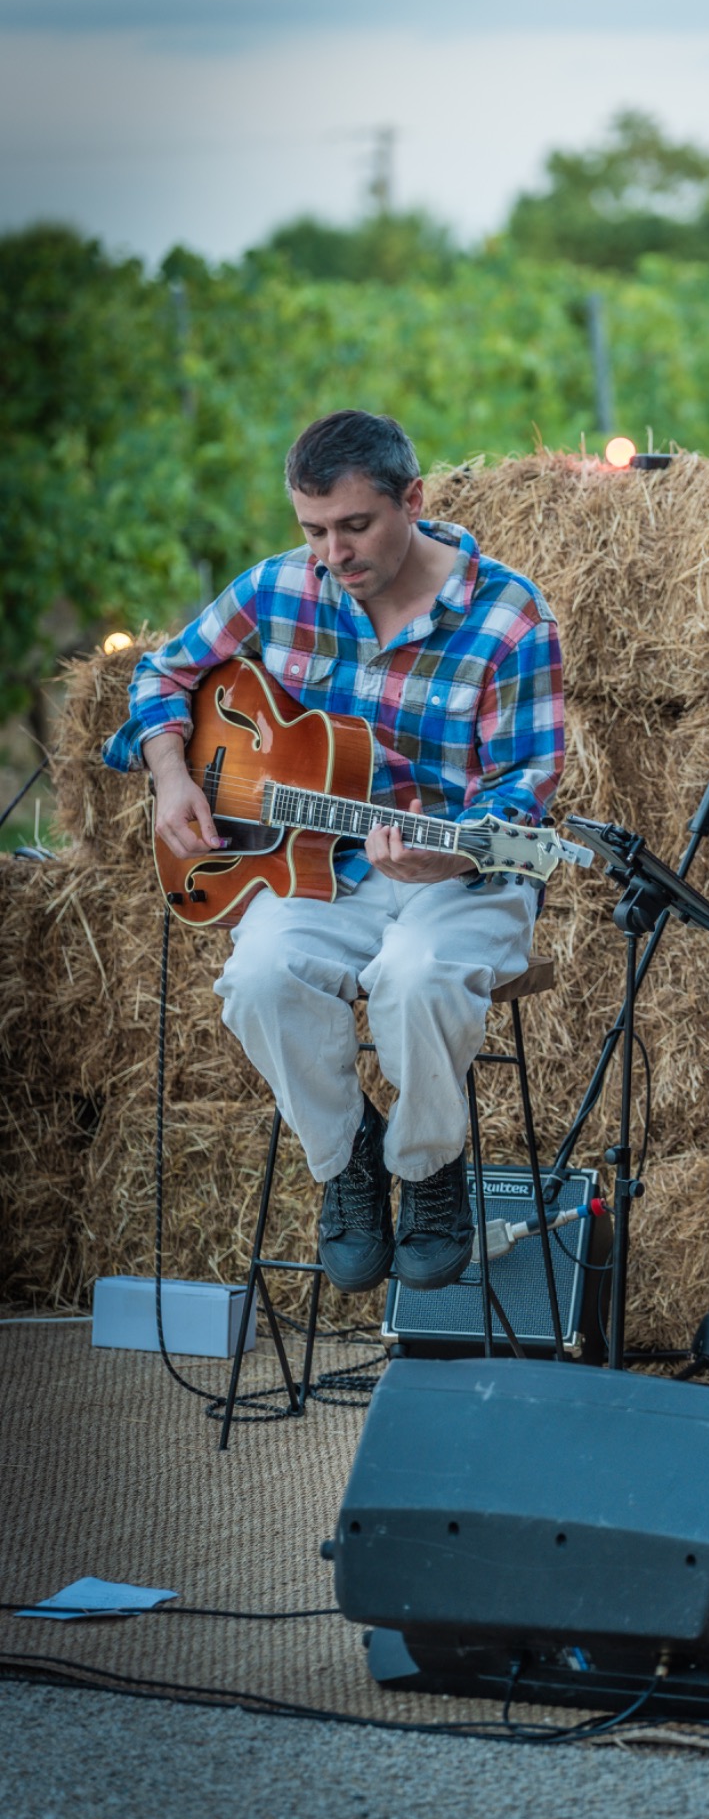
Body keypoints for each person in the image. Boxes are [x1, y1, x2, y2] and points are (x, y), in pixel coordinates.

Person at [105, 410, 564, 1297]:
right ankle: (348, 1155)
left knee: (416, 977)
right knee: (257, 977)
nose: (333, 554)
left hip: (461, 868)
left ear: (413, 500)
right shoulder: (280, 587)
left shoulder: (510, 618)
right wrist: (171, 775)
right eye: (313, 530)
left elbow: (525, 783)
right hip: (318, 868)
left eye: (354, 526)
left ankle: (426, 1166)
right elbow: (162, 672)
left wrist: (452, 856)